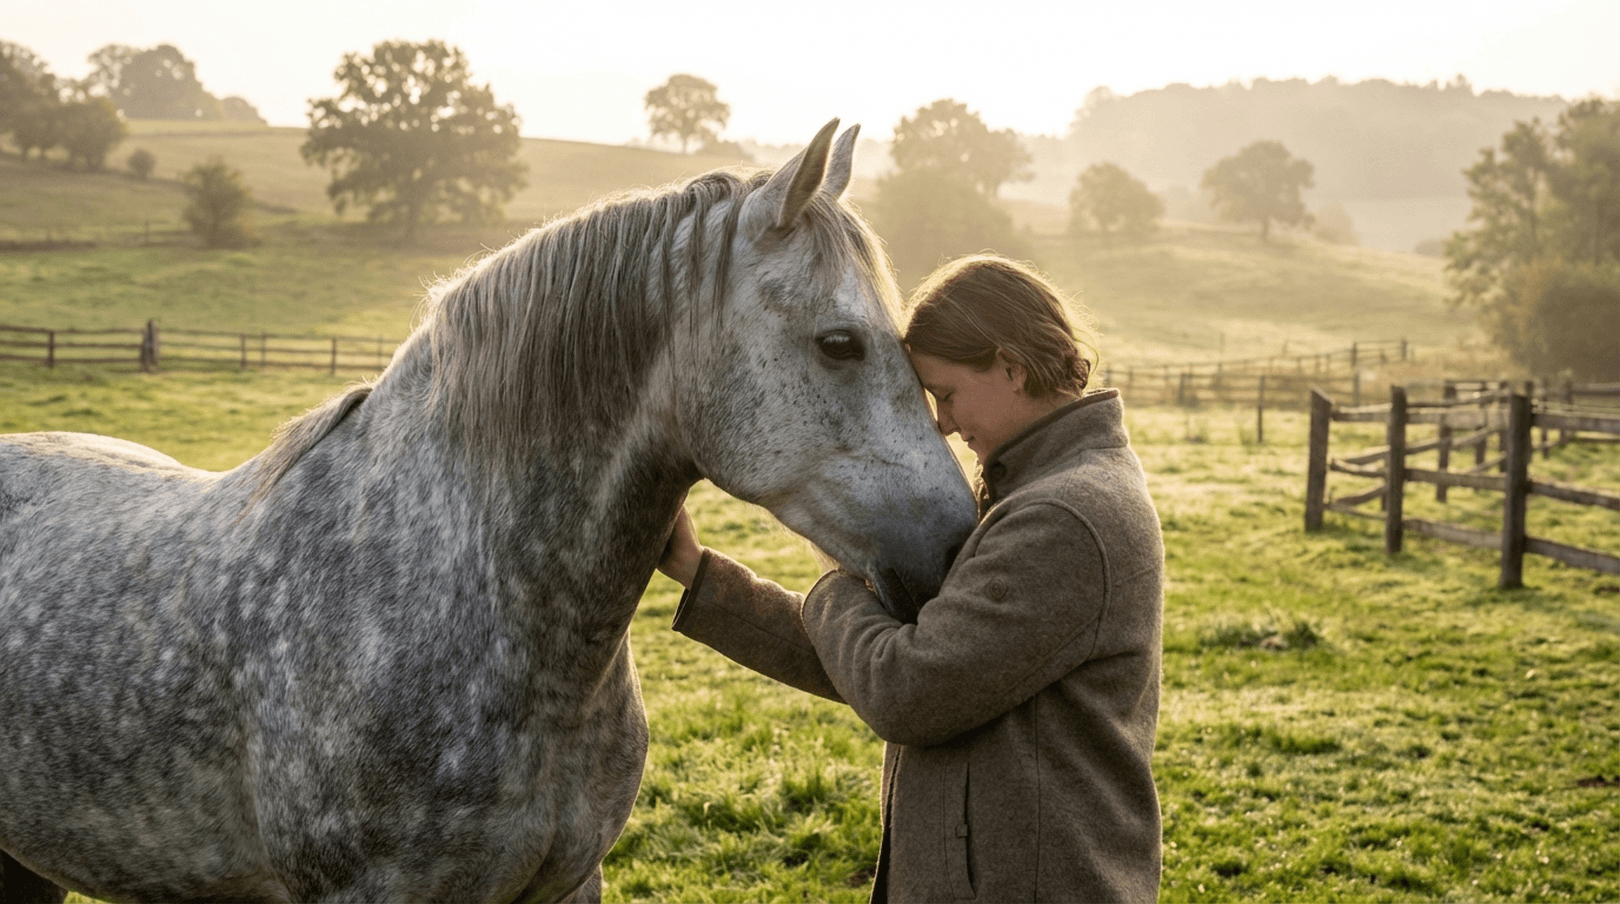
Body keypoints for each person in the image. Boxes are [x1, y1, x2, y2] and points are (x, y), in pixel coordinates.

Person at [658, 254, 1164, 903]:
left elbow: (906, 691)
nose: (942, 422)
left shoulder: (1063, 517)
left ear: (1011, 367)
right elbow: (871, 662)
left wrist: (836, 575)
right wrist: (698, 574)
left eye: (946, 394)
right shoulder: (1034, 494)